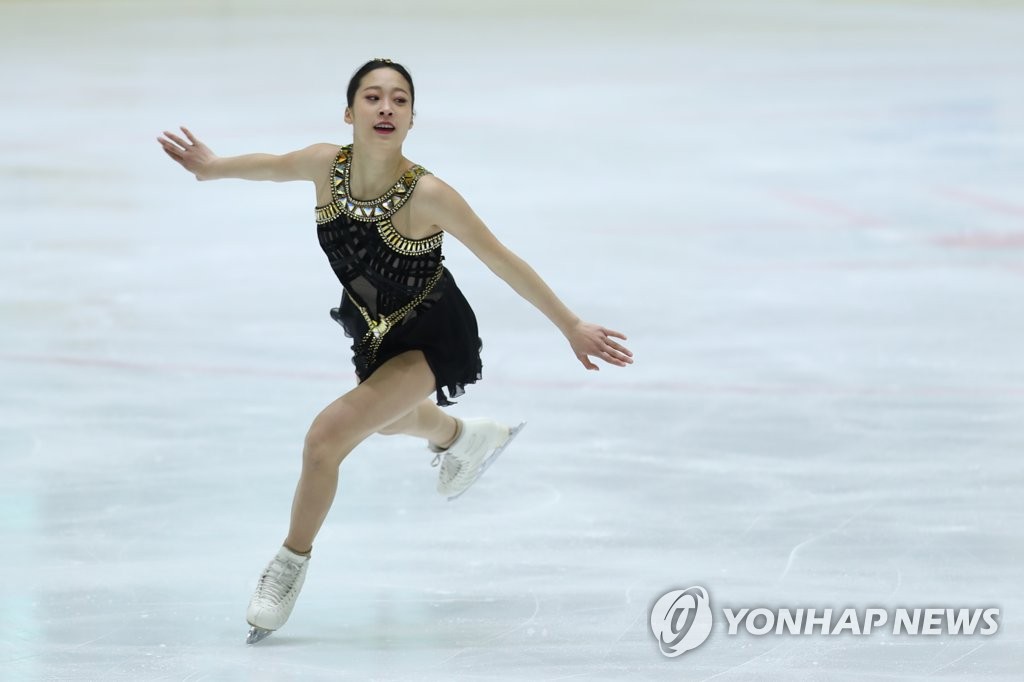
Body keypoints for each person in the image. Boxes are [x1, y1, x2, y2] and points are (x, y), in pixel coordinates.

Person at [157, 58, 633, 644]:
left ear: (411, 118)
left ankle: (289, 563)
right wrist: (211, 168)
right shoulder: (323, 164)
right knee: (385, 422)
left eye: (399, 100)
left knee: (326, 437)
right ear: (350, 111)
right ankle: (462, 437)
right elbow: (273, 167)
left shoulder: (429, 194)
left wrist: (571, 324)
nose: (386, 108)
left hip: (433, 331)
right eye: (373, 97)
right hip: (373, 329)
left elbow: (501, 259)